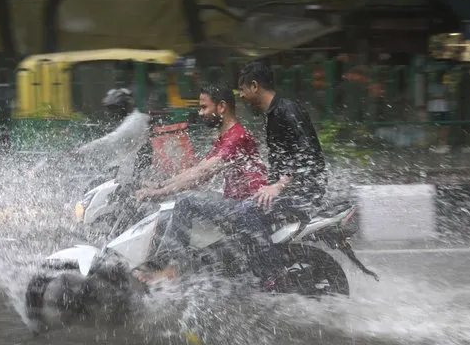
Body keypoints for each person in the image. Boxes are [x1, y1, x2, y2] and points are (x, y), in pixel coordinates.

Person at [134, 84, 273, 282]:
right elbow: (197, 170)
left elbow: (201, 173)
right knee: (175, 206)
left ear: (221, 107)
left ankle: (172, 269)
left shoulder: (237, 136)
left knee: (185, 201)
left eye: (204, 107)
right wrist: (160, 186)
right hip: (237, 204)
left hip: (247, 208)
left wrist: (158, 193)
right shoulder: (225, 137)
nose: (200, 113)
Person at [237, 60, 327, 213]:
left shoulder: (287, 109)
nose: (241, 95)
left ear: (254, 86)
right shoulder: (271, 114)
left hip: (305, 194)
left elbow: (308, 154)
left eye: (242, 89)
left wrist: (278, 186)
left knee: (247, 213)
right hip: (289, 190)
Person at [76, 88, 153, 185]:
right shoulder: (131, 119)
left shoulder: (135, 120)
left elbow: (113, 139)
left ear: (124, 106)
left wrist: (83, 150)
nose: (112, 114)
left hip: (132, 171)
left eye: (115, 109)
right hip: (126, 167)